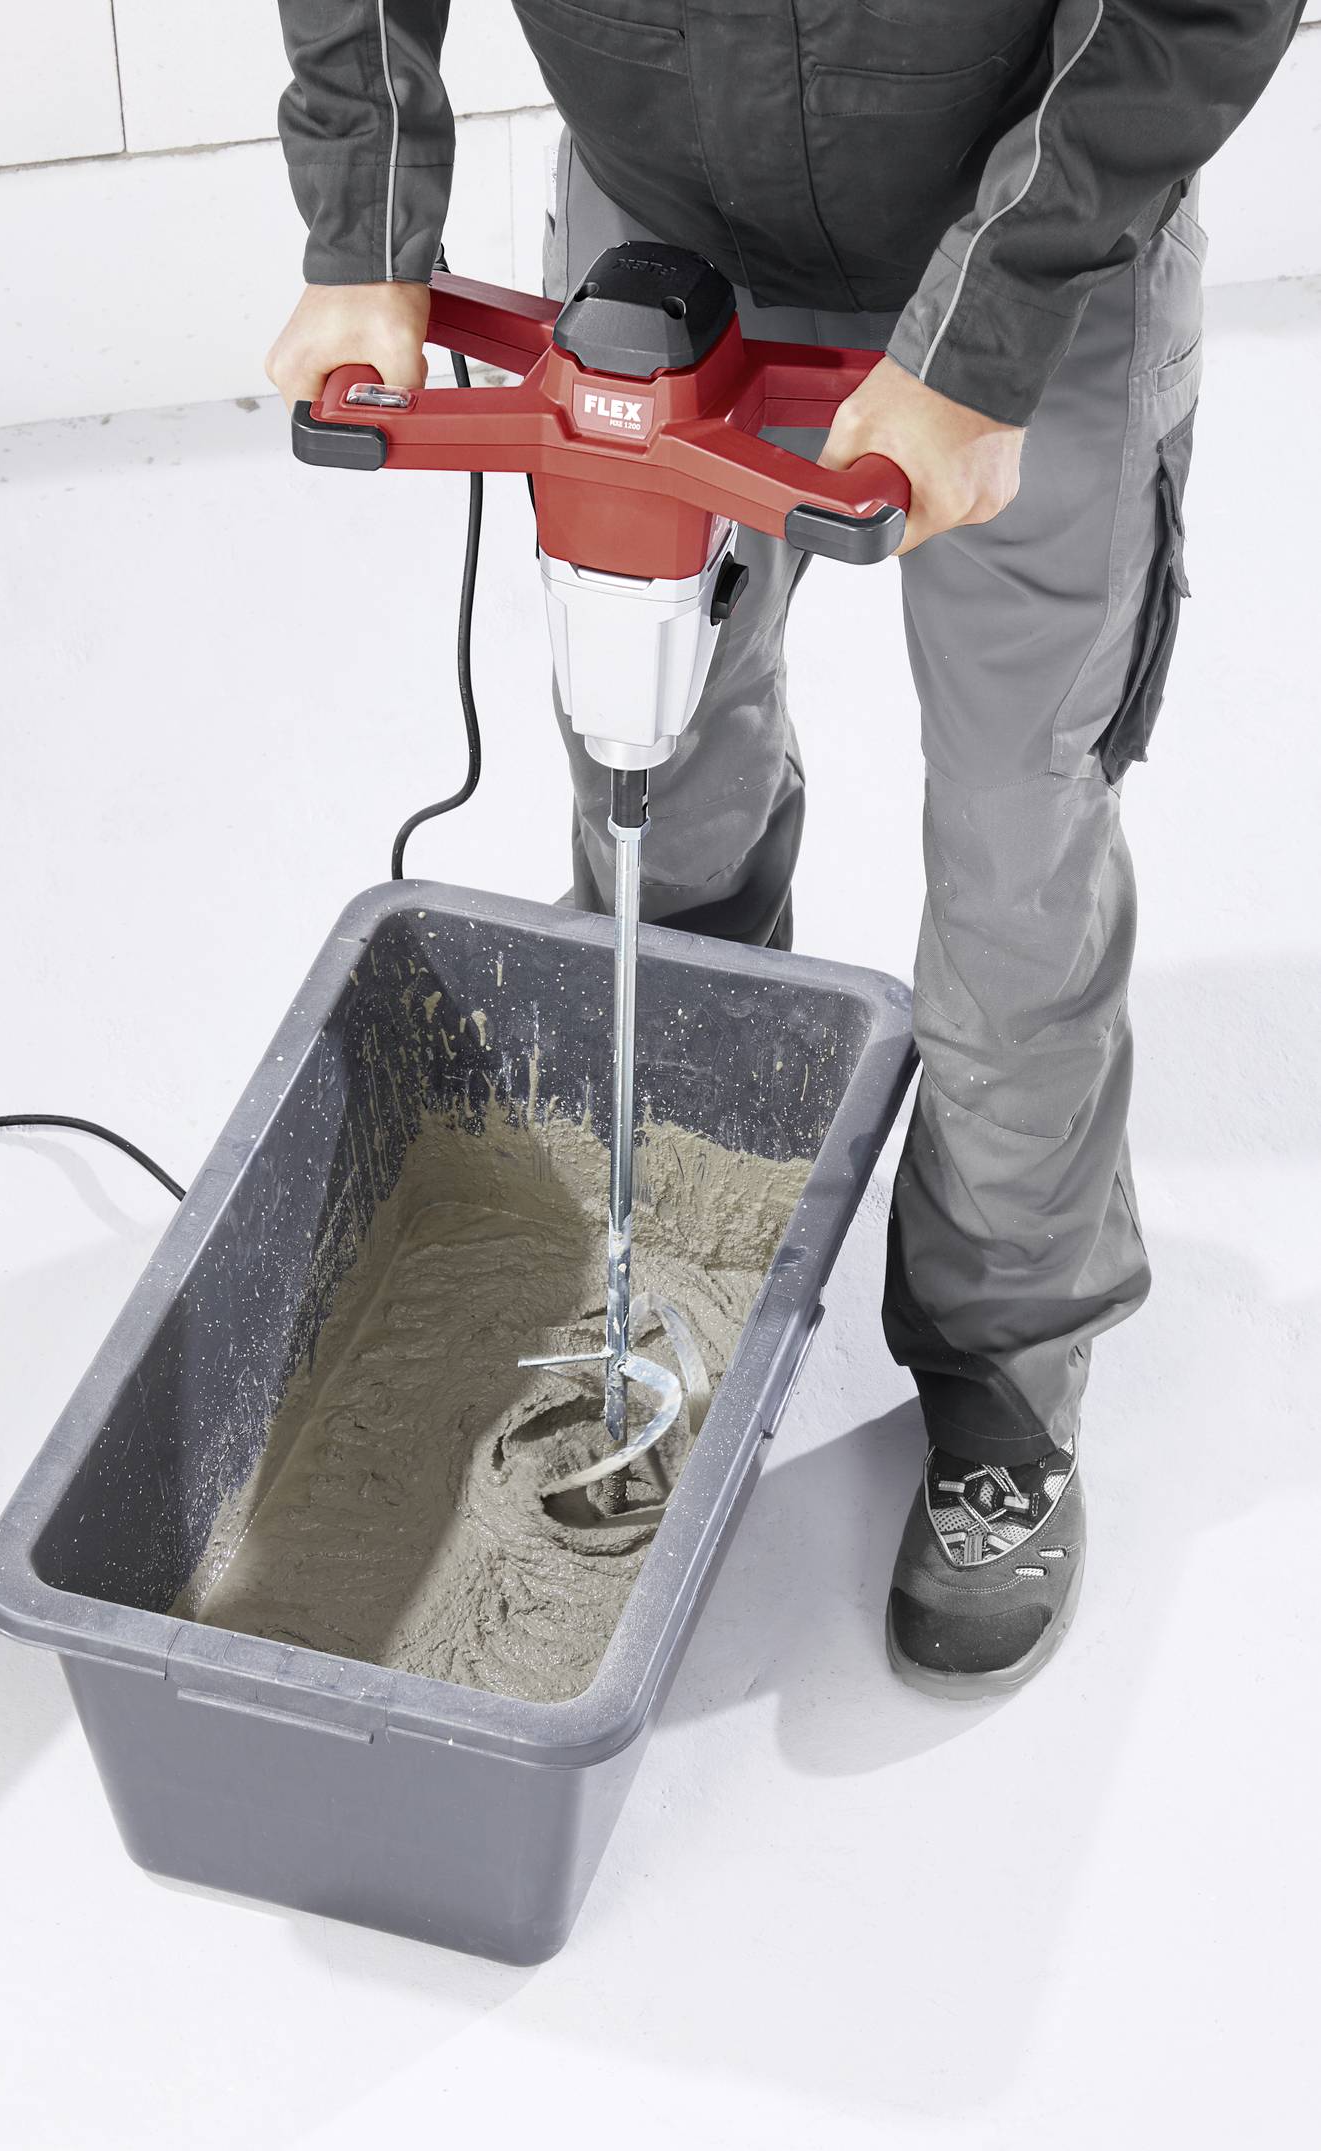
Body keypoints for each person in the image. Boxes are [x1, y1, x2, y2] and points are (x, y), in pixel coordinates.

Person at [265, 2, 1300, 1695]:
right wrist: (367, 212)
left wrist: (991, 317)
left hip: (1033, 238)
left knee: (1011, 843)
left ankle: (1003, 1362)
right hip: (659, 225)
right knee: (651, 780)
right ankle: (676, 1239)